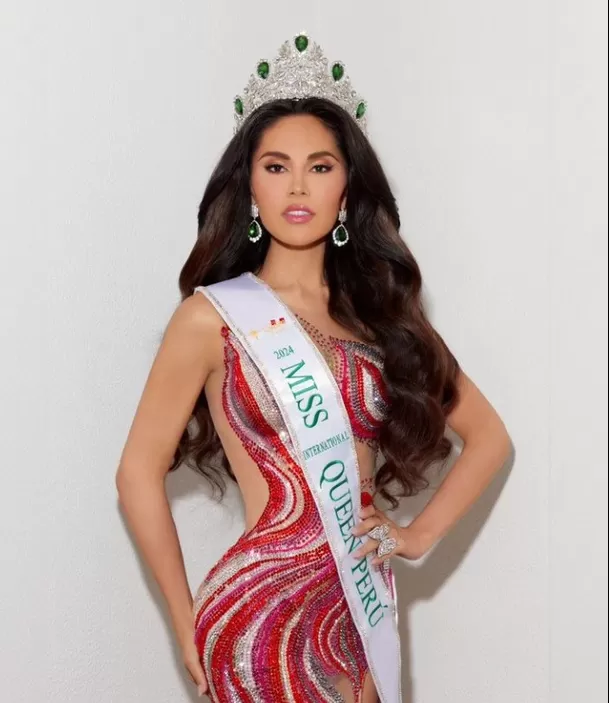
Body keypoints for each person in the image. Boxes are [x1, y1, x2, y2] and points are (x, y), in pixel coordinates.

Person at [115, 32, 511, 703]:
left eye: (320, 167)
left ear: (346, 187)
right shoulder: (211, 318)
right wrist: (183, 621)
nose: (297, 186)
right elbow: (136, 472)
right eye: (276, 167)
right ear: (249, 186)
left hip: (359, 612)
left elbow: (490, 437)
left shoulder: (380, 316)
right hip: (253, 617)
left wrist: (416, 536)